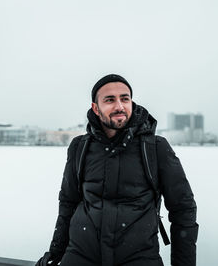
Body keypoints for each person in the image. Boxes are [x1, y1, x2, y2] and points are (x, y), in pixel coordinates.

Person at [36, 74, 198, 266]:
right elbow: (68, 203)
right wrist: (56, 252)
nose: (119, 106)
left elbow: (183, 209)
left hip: (139, 259)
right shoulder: (79, 147)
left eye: (125, 98)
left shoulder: (155, 147)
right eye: (110, 100)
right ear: (96, 108)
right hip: (80, 257)